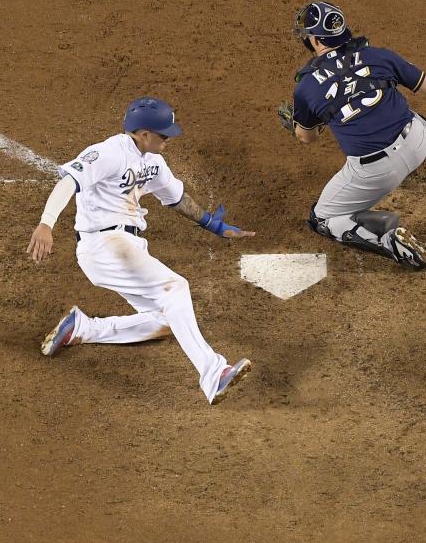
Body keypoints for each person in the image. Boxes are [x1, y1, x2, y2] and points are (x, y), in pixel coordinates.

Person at [26, 97, 255, 405]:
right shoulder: (109, 152)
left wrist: (214, 225)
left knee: (167, 319)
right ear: (143, 133)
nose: (168, 139)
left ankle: (83, 328)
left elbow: (177, 199)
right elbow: (70, 181)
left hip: (127, 246)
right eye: (164, 134)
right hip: (104, 245)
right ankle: (213, 373)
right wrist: (46, 224)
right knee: (177, 289)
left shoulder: (153, 162)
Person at [279, 1, 426, 268]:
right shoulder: (377, 55)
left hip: (376, 174)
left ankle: (388, 240)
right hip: (416, 142)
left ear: (315, 41)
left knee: (322, 219)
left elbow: (307, 137)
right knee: (401, 109)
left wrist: (299, 125)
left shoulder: (306, 88)